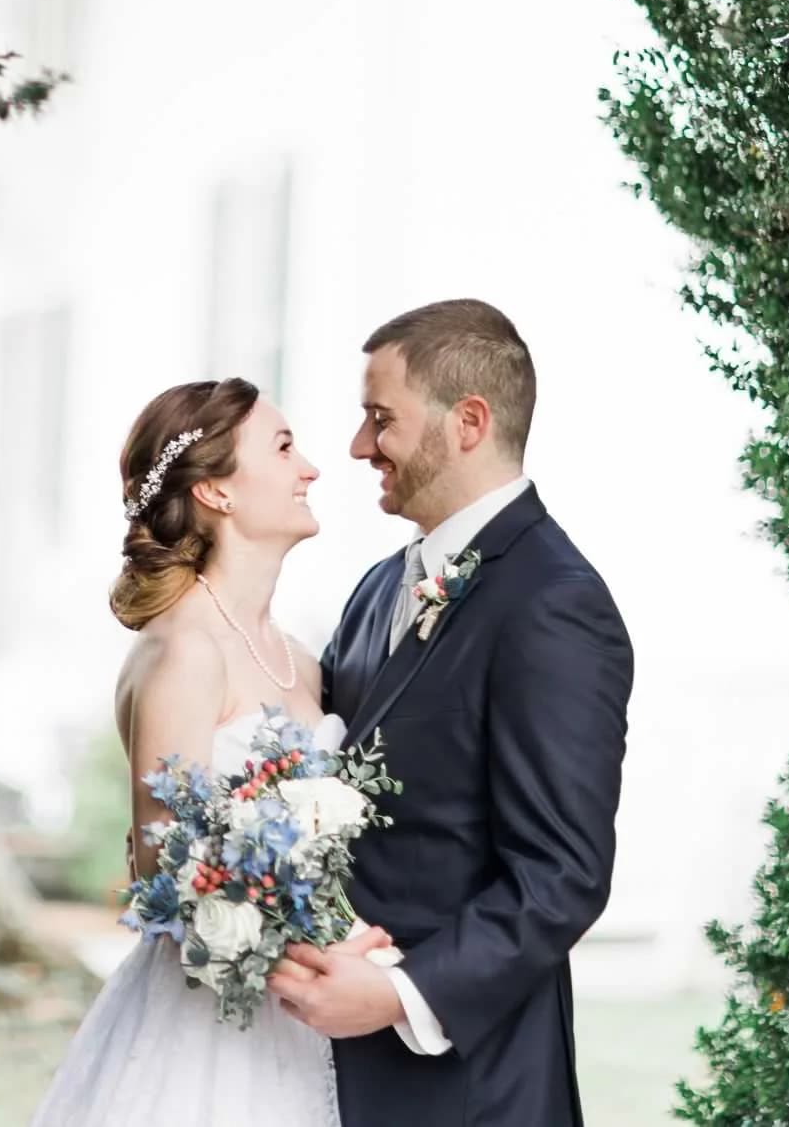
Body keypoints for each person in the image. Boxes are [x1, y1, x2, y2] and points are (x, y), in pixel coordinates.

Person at [268, 298, 634, 1127]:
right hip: (334, 1072)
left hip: (473, 1088)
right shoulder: (374, 590)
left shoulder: (555, 604)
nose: (361, 447)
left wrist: (401, 993)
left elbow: (562, 876)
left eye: (379, 418)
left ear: (468, 421)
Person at [28, 376, 388, 1127]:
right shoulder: (186, 651)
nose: (312, 469)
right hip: (204, 1040)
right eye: (285, 447)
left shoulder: (300, 658)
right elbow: (170, 876)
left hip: (297, 1027)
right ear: (218, 493)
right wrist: (327, 941)